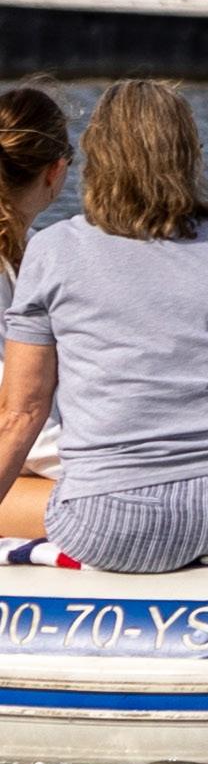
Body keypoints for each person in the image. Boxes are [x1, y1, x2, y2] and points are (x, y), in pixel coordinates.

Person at [0, 79, 208, 571]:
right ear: (191, 157)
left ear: (94, 158)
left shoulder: (53, 249)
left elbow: (21, 415)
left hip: (116, 523)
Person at [0, 87, 71, 539]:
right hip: (26, 454)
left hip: (25, 453)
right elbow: (14, 410)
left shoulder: (32, 249)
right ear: (55, 171)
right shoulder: (37, 255)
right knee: (129, 502)